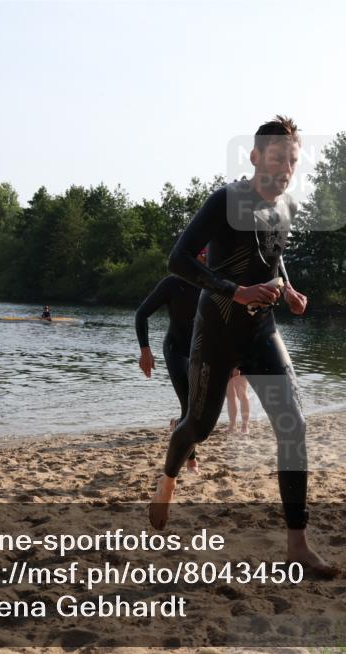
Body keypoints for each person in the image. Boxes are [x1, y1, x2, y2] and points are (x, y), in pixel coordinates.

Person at [148, 115, 335, 577]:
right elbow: (177, 260)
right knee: (199, 424)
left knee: (293, 426)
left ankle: (297, 545)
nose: (286, 169)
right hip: (216, 329)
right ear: (255, 158)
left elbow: (272, 256)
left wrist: (286, 288)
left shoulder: (285, 209)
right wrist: (235, 290)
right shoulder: (224, 201)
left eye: (293, 160)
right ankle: (167, 480)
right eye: (277, 159)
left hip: (262, 329)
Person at [135, 249, 206, 473]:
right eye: (203, 253)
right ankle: (191, 460)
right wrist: (145, 350)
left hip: (200, 352)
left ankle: (177, 425)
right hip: (175, 350)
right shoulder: (172, 284)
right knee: (189, 404)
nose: (206, 258)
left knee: (200, 411)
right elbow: (142, 314)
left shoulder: (214, 285)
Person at [226, 368, 250, 435]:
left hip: (237, 364)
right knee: (232, 395)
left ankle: (242, 426)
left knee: (240, 394)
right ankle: (235, 425)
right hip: (234, 364)